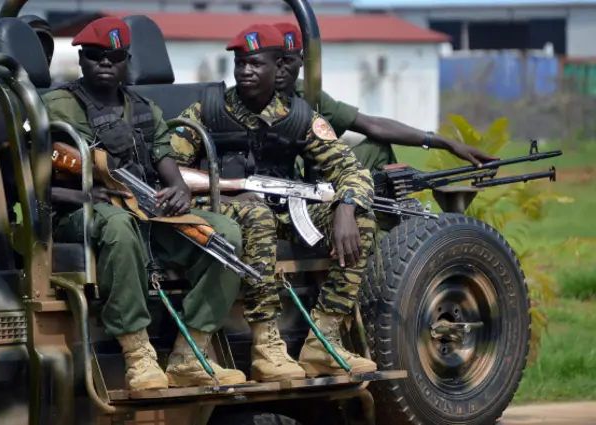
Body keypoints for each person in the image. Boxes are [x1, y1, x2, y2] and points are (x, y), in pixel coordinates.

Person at [42, 17, 247, 389]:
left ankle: (191, 353)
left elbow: (169, 171)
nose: (105, 63)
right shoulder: (56, 105)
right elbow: (27, 180)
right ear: (82, 59)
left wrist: (180, 193)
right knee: (118, 227)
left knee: (225, 232)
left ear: (127, 61)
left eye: (115, 56)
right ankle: (137, 355)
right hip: (79, 213)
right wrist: (85, 194)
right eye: (95, 55)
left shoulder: (143, 109)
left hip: (144, 210)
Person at [165, 24, 378, 380]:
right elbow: (171, 170)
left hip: (285, 209)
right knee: (256, 213)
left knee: (364, 220)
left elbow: (351, 170)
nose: (246, 71)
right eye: (240, 63)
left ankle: (322, 338)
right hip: (221, 207)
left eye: (255, 64)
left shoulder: (299, 117)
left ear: (279, 66)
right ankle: (266, 345)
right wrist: (230, 186)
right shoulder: (207, 110)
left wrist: (346, 207)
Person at [271, 22, 499, 173]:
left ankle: (388, 233)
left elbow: (372, 125)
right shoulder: (247, 100)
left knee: (378, 147)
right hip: (276, 186)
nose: (280, 70)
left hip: (314, 183)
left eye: (288, 61)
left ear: (302, 62)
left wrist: (445, 143)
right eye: (274, 62)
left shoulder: (307, 94)